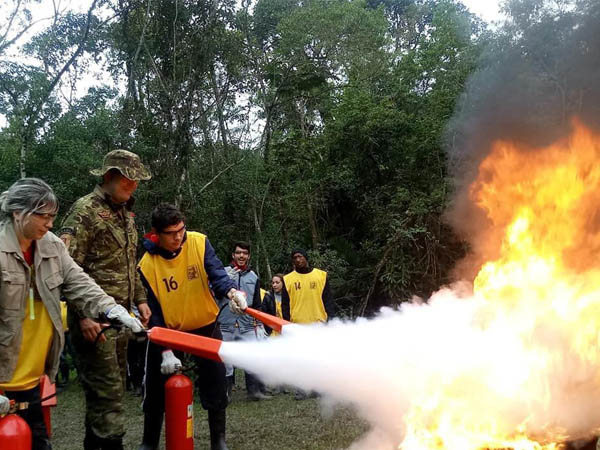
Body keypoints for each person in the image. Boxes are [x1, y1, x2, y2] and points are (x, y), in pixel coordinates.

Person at [0, 178, 144, 450]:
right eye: (44, 216)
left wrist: (111, 308)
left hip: (30, 378)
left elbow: (79, 282)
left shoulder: (51, 246)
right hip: (2, 380)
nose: (51, 224)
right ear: (19, 213)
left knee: (38, 442)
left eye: (53, 217)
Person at [58, 149, 152, 450]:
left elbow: (129, 263)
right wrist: (83, 316)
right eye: (128, 181)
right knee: (109, 396)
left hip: (121, 319)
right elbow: (66, 269)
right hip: (94, 322)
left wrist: (140, 300)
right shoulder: (84, 212)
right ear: (110, 176)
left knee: (106, 394)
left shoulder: (124, 214)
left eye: (137, 182)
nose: (133, 186)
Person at [137, 203, 245, 450]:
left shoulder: (199, 242)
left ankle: (219, 440)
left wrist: (231, 292)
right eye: (171, 233)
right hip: (167, 332)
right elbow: (151, 311)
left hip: (204, 325)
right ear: (156, 233)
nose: (179, 237)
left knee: (217, 380)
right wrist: (165, 350)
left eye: (181, 230)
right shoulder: (146, 264)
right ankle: (148, 441)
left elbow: (217, 273)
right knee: (155, 387)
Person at [218, 241, 271, 401]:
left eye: (245, 253)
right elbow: (215, 294)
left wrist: (259, 323)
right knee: (225, 359)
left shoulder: (253, 276)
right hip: (225, 324)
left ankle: (254, 392)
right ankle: (225, 392)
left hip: (247, 325)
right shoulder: (223, 273)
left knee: (251, 357)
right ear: (233, 255)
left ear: (248, 256)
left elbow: (256, 303)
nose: (242, 256)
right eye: (238, 252)